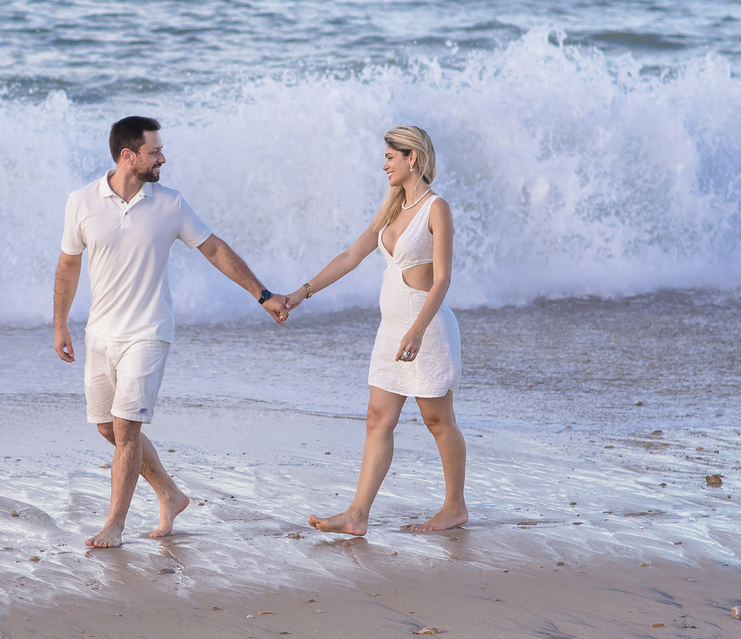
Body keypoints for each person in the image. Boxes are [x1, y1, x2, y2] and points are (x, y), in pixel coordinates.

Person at [53, 116, 290, 549]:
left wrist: (263, 293)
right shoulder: (81, 201)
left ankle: (114, 524)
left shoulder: (170, 204)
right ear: (128, 156)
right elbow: (69, 263)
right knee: (108, 428)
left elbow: (214, 248)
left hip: (149, 331)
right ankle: (170, 493)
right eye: (154, 151)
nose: (163, 157)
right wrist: (60, 323)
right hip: (100, 335)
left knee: (126, 429)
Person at [285, 125, 468, 535]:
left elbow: (442, 279)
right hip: (391, 330)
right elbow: (351, 256)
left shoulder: (436, 208)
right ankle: (357, 514)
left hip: (428, 329)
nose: (383, 164)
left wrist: (419, 330)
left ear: (412, 158)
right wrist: (301, 293)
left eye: (390, 157)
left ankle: (455, 507)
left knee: (438, 420)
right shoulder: (391, 207)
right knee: (377, 419)